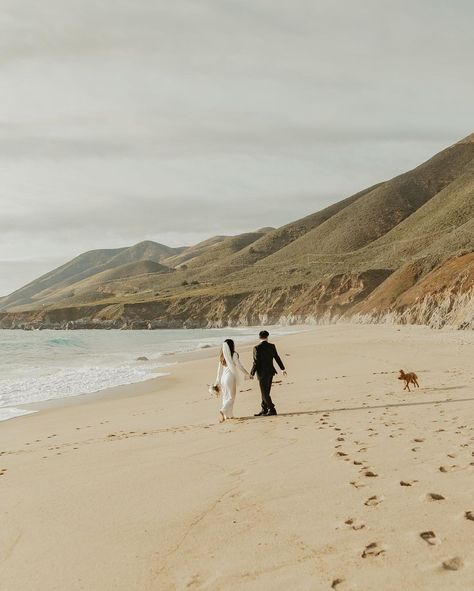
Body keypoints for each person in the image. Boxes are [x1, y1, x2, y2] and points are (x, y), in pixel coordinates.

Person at [250, 330, 287, 416]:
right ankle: (264, 409)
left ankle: (272, 409)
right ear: (267, 337)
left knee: (265, 392)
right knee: (266, 392)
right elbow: (277, 357)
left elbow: (256, 362)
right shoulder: (272, 346)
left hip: (262, 373)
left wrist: (252, 373)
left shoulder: (256, 348)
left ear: (259, 337)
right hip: (271, 372)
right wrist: (282, 369)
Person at [215, 339, 250, 422]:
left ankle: (229, 416)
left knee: (225, 396)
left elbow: (219, 370)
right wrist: (246, 373)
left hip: (223, 378)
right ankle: (223, 410)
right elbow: (239, 365)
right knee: (231, 397)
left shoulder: (222, 355)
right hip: (230, 377)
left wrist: (217, 381)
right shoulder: (234, 354)